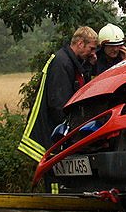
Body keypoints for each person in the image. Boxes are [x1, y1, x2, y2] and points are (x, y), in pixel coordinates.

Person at [17, 26, 98, 161]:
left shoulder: (72, 61)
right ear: (80, 44)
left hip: (57, 133)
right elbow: (58, 104)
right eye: (91, 48)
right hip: (49, 133)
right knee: (56, 178)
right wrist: (70, 134)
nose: (93, 53)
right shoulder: (62, 62)